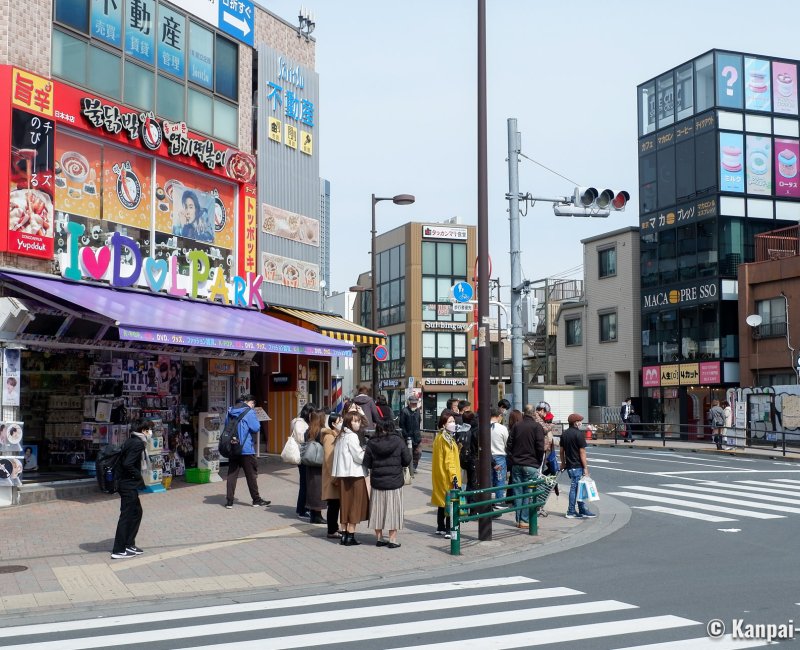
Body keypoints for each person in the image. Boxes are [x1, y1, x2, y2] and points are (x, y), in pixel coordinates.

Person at [363, 419, 411, 548]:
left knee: (378, 511)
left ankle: (379, 538)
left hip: (378, 482)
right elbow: (407, 460)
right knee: (393, 510)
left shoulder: (372, 442)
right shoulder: (398, 441)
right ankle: (392, 539)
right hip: (394, 482)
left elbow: (366, 463)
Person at [111, 418, 151, 559]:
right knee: (127, 515)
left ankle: (129, 544)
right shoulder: (138, 444)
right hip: (128, 484)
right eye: (148, 430)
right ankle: (119, 549)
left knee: (136, 512)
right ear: (142, 431)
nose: (150, 432)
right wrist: (138, 476)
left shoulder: (131, 440)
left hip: (126, 483)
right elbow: (128, 464)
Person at [224, 394, 270, 509]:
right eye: (253, 403)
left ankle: (229, 501)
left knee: (232, 474)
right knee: (251, 475)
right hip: (246, 449)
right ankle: (256, 500)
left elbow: (226, 427)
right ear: (249, 402)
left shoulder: (229, 411)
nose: (253, 406)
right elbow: (256, 428)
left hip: (233, 446)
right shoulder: (249, 412)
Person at [332, 410, 369, 546]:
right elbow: (359, 457)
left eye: (358, 421)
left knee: (345, 505)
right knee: (355, 504)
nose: (357, 423)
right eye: (354, 421)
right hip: (354, 475)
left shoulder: (340, 436)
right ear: (348, 421)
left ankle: (344, 534)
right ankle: (351, 535)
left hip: (342, 475)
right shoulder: (352, 436)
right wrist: (366, 452)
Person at [506, 405, 545, 528]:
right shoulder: (537, 427)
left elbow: (509, 445)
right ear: (534, 413)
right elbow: (540, 447)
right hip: (531, 463)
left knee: (518, 492)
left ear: (524, 413)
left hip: (517, 464)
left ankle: (519, 520)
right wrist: (538, 462)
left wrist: (512, 459)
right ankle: (525, 520)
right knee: (529, 492)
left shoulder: (517, 426)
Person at [560, 413, 597, 519]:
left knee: (578, 488)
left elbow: (561, 451)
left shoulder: (565, 434)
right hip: (577, 465)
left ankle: (582, 509)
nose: (581, 423)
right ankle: (571, 511)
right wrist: (585, 467)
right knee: (574, 488)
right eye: (579, 421)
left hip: (570, 466)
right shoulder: (578, 434)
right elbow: (582, 452)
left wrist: (563, 463)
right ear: (575, 422)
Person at [431, 411, 461, 539]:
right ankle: (449, 529)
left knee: (442, 502)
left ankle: (440, 527)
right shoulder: (447, 439)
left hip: (439, 475)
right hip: (448, 476)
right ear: (443, 424)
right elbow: (449, 461)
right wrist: (454, 477)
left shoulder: (438, 437)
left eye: (453, 421)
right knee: (451, 502)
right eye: (450, 421)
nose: (453, 423)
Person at [290, 403, 316, 519]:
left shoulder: (303, 423)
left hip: (306, 455)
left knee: (306, 483)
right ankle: (302, 510)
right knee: (305, 484)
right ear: (308, 413)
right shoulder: (299, 423)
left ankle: (302, 508)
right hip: (302, 456)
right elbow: (301, 438)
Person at [321, 412, 343, 539]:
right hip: (332, 476)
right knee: (333, 504)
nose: (342, 423)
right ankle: (331, 530)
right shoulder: (329, 437)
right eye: (340, 421)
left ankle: (334, 527)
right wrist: (334, 477)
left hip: (335, 474)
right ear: (334, 424)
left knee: (336, 503)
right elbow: (329, 459)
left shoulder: (336, 435)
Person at [304, 409, 327, 524]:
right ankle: (317, 515)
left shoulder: (308, 431)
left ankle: (314, 514)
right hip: (319, 464)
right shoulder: (322, 432)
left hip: (310, 463)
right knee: (318, 489)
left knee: (312, 488)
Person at [490, 407, 509, 505]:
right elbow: (507, 443)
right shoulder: (502, 428)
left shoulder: (484, 426)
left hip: (486, 457)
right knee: (500, 481)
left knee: (487, 481)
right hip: (499, 457)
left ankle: (486, 502)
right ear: (499, 416)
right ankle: (499, 502)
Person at [398, 395, 422, 471]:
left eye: (415, 403)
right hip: (408, 436)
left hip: (417, 436)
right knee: (408, 453)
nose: (414, 405)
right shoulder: (404, 411)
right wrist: (406, 435)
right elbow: (401, 424)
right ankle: (408, 468)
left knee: (418, 453)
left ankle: (414, 467)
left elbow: (418, 421)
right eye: (413, 403)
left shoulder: (417, 411)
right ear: (409, 403)